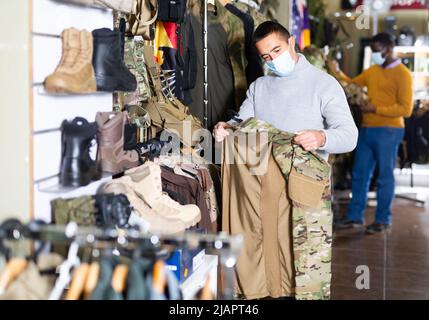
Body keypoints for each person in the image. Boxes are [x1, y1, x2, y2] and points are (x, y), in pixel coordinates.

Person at [214, 21, 358, 160]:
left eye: (277, 50)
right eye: (266, 57)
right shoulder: (259, 87)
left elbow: (350, 137)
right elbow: (241, 123)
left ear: (291, 42)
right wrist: (226, 127)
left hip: (305, 180)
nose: (274, 59)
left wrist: (321, 138)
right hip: (262, 178)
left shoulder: (324, 84)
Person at [329, 33, 413, 234]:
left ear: (389, 49)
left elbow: (406, 109)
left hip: (390, 130)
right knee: (359, 174)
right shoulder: (372, 71)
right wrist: (336, 71)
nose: (375, 54)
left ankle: (383, 220)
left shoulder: (403, 74)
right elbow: (352, 84)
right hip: (367, 129)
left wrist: (376, 109)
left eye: (377, 51)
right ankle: (354, 216)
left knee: (384, 177)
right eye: (373, 51)